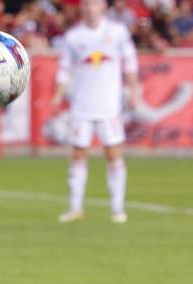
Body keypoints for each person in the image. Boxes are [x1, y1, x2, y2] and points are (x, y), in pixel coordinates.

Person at [53, 0, 139, 224]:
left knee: (113, 154)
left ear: (103, 7)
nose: (90, 8)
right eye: (87, 4)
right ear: (82, 8)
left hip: (109, 105)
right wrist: (58, 92)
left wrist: (134, 90)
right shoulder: (74, 36)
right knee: (78, 154)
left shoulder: (117, 32)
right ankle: (75, 207)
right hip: (82, 105)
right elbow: (65, 68)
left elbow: (130, 61)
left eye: (95, 4)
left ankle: (118, 208)